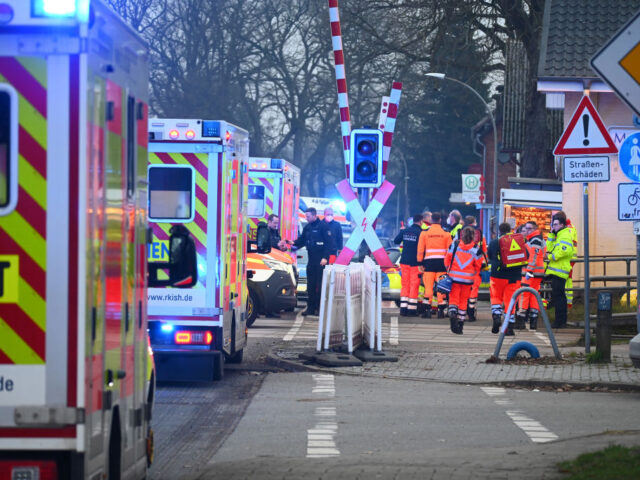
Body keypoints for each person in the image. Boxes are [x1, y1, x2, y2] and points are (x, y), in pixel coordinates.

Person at [444, 226, 484, 334]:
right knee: (463, 301)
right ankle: (460, 324)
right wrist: (474, 273)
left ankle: (452, 313)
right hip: (468, 279)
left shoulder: (455, 244)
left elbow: (447, 259)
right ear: (473, 236)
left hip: (454, 277)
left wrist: (448, 268)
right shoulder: (476, 249)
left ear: (462, 234)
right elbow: (479, 265)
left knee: (453, 298)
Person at [293, 208, 331, 316]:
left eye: (308, 216)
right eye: (306, 216)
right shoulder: (308, 227)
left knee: (319, 286)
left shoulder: (323, 227)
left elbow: (329, 244)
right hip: (311, 260)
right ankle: (310, 308)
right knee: (310, 286)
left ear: (314, 216)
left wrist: (325, 257)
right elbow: (302, 241)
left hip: (321, 261)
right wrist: (292, 243)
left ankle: (319, 309)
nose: (306, 218)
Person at [487, 222, 521, 336]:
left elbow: (490, 256)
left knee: (496, 297)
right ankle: (509, 328)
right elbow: (525, 256)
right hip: (514, 277)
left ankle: (496, 316)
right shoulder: (518, 242)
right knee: (510, 302)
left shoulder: (493, 243)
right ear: (510, 230)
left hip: (497, 276)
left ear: (499, 231)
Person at [417, 212, 451, 318]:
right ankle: (441, 311)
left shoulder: (425, 233)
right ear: (440, 220)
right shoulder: (446, 233)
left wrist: (420, 262)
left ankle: (427, 311)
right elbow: (449, 251)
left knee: (428, 287)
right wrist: (448, 265)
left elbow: (420, 249)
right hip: (442, 264)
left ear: (431, 220)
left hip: (429, 264)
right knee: (442, 287)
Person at [454, 215, 487, 323]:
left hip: (458, 269)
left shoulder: (459, 233)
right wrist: (483, 266)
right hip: (474, 269)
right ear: (474, 222)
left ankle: (458, 312)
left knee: (459, 293)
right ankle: (471, 312)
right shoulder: (480, 235)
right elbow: (484, 251)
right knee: (473, 291)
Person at [545, 212, 575, 328]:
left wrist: (551, 256)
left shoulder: (565, 235)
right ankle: (560, 321)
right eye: (553, 224)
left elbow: (565, 250)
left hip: (560, 270)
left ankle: (560, 322)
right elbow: (549, 248)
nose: (554, 226)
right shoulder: (559, 235)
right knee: (558, 296)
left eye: (556, 224)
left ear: (562, 224)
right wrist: (551, 235)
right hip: (556, 271)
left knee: (560, 298)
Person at [515, 221, 546, 330]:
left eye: (529, 228)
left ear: (534, 229)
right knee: (534, 295)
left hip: (531, 272)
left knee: (524, 294)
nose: (527, 230)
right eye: (526, 228)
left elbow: (533, 256)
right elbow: (544, 254)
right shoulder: (539, 239)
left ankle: (521, 320)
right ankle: (533, 320)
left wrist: (529, 270)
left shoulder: (535, 239)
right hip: (538, 272)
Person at [394, 214, 423, 316]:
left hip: (404, 262)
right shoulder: (420, 233)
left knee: (405, 285)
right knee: (414, 285)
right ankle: (411, 309)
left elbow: (396, 241)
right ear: (421, 221)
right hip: (415, 263)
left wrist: (401, 231)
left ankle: (403, 309)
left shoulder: (405, 231)